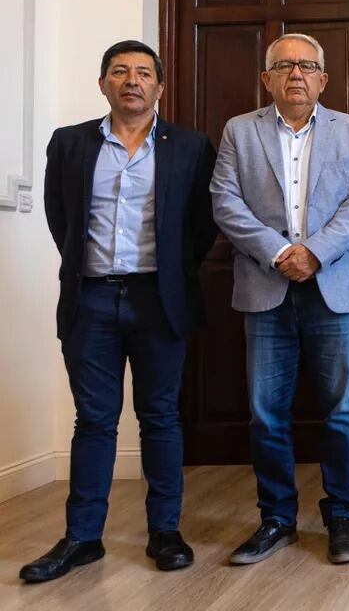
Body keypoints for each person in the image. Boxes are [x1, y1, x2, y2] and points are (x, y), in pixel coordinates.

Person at [23, 40, 217, 583]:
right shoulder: (70, 144)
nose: (131, 81)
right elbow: (61, 218)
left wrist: (172, 275)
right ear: (103, 83)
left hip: (160, 300)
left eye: (142, 73)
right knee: (95, 420)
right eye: (119, 72)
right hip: (91, 299)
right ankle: (82, 538)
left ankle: (165, 531)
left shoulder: (190, 147)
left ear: (159, 86)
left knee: (160, 417)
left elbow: (202, 227)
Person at [210, 33, 349, 566]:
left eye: (307, 66)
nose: (296, 74)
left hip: (337, 286)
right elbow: (225, 200)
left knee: (343, 413)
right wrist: (281, 251)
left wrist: (316, 253)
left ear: (323, 79)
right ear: (267, 79)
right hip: (266, 285)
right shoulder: (240, 130)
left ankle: (342, 516)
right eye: (284, 66)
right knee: (265, 414)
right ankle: (277, 519)